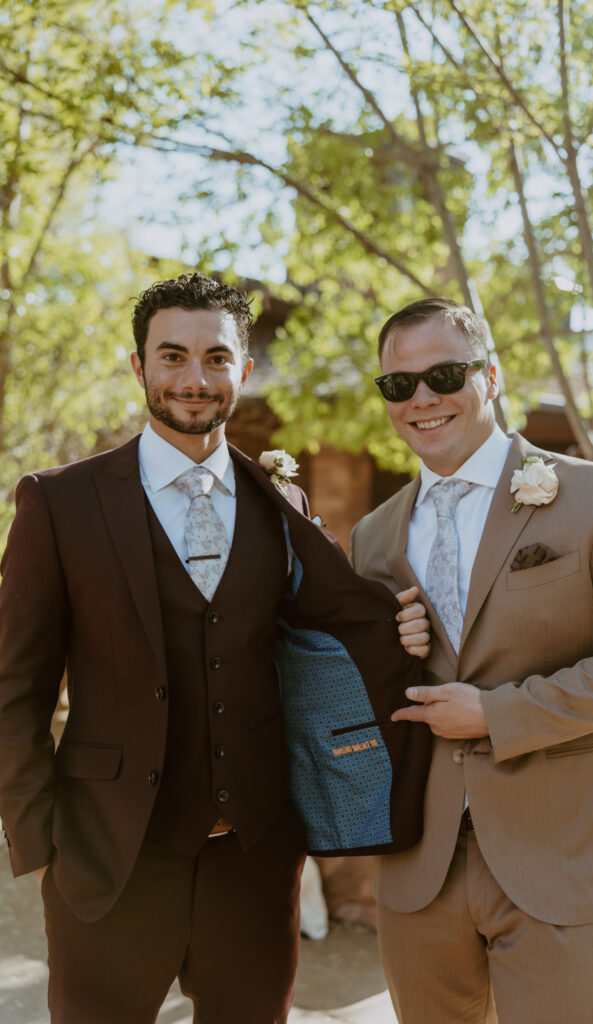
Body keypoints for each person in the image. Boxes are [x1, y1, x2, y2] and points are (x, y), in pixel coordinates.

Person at [0, 272, 430, 1024]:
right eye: (171, 357)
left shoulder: (281, 501)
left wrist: (406, 632)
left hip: (256, 858)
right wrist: (40, 839)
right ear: (138, 366)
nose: (193, 380)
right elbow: (14, 684)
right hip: (109, 857)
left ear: (244, 370)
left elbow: (325, 632)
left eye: (215, 358)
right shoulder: (60, 502)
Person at [350, 296, 593, 1024]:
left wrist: (499, 713)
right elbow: (362, 693)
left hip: (564, 856)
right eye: (398, 385)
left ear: (491, 376)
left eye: (443, 373)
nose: (422, 399)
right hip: (418, 870)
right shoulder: (373, 537)